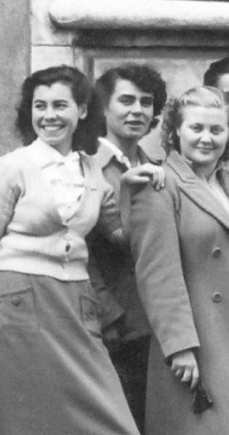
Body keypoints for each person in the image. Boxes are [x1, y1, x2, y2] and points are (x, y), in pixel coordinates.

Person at [0, 65, 161, 433]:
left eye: (60, 105)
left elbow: (120, 235)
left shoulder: (91, 171)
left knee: (110, 418)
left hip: (77, 302)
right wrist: (20, 289)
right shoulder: (11, 168)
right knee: (25, 420)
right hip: (18, 305)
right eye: (39, 106)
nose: (49, 116)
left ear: (83, 110)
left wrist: (130, 186)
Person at [125, 85, 229, 434]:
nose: (206, 138)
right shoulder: (159, 185)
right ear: (175, 132)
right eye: (196, 128)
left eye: (216, 129)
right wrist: (180, 347)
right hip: (198, 342)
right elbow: (158, 276)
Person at [86, 63, 167, 432]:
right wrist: (110, 317)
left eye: (146, 102)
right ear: (103, 107)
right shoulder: (86, 167)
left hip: (155, 324)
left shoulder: (157, 168)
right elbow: (79, 251)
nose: (137, 110)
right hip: (113, 328)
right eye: (126, 100)